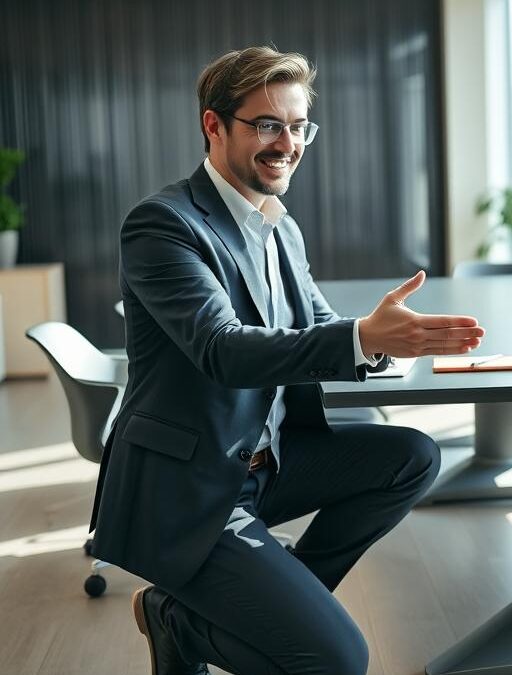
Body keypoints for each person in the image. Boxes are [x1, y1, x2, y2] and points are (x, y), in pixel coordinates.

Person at [90, 46, 485, 675]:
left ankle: (239, 605)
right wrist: (359, 336)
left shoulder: (280, 225)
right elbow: (222, 348)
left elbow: (318, 328)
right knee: (338, 659)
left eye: (299, 126)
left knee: (412, 456)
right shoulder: (163, 226)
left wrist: (382, 340)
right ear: (213, 126)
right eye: (268, 124)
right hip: (191, 485)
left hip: (267, 462)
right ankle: (185, 618)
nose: (288, 143)